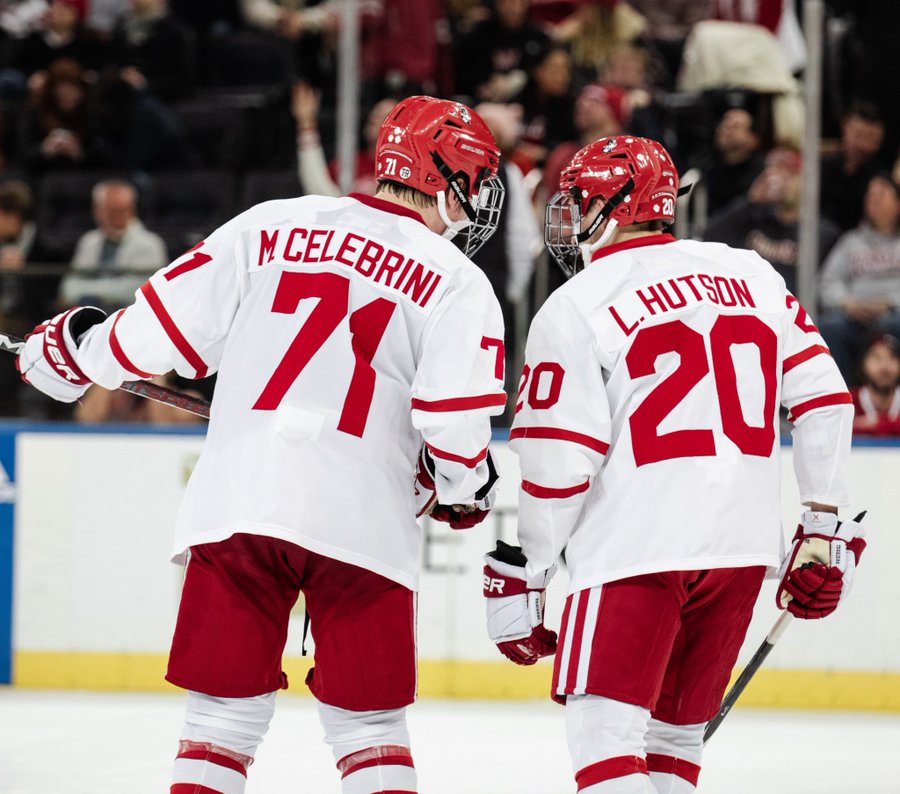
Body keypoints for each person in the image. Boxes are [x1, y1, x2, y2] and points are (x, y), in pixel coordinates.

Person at [18, 95, 507, 794]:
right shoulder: (456, 281)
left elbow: (157, 331)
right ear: (445, 171)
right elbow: (454, 431)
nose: (481, 197)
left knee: (218, 723)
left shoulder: (276, 221)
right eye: (477, 176)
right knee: (370, 731)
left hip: (243, 499)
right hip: (363, 521)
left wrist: (77, 354)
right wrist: (462, 490)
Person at [482, 135, 865, 793]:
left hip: (635, 544)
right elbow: (826, 399)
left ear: (611, 204)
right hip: (740, 548)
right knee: (673, 744)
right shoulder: (751, 273)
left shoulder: (578, 304)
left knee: (605, 741)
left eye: (577, 201)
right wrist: (823, 528)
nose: (569, 216)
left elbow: (557, 461)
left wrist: (528, 570)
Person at [703, 144, 840, 295]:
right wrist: (750, 200)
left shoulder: (822, 232)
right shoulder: (754, 216)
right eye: (775, 173)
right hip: (747, 301)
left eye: (789, 174)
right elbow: (709, 237)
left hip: (788, 309)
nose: (780, 181)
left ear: (806, 181)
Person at [818, 172, 900, 383]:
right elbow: (827, 282)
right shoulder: (850, 241)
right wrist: (847, 303)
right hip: (853, 313)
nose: (874, 200)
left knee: (892, 323)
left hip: (893, 312)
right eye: (870, 195)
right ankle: (846, 398)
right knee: (828, 325)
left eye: (881, 194)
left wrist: (890, 303)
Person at [59, 179, 168, 312]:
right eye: (112, 211)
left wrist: (90, 291)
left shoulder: (151, 244)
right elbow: (68, 286)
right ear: (97, 211)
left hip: (130, 317)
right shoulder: (89, 241)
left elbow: (136, 290)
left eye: (124, 210)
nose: (120, 217)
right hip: (88, 312)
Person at [850, 332, 900, 436]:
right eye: (876, 358)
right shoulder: (849, 401)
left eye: (892, 358)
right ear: (863, 363)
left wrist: (875, 424)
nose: (884, 367)